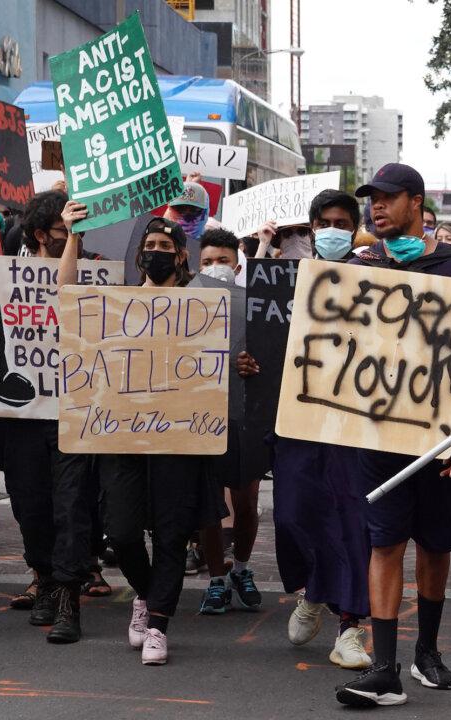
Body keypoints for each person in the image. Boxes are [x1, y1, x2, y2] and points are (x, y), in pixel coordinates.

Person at [334, 163, 451, 707]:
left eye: (386, 198)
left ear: (416, 203)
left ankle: (427, 651)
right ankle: (384, 666)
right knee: (384, 540)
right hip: (378, 433)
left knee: (434, 540)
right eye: (371, 200)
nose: (375, 207)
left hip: (440, 433)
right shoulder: (360, 266)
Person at [78, 217, 226, 665]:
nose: (156, 251)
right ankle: (146, 594)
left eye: (165, 244)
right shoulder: (113, 304)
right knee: (121, 534)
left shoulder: (201, 307)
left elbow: (215, 366)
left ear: (181, 255)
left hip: (177, 439)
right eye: (151, 244)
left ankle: (158, 623)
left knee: (171, 535)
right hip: (122, 436)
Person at [272, 188, 373, 671]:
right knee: (294, 512)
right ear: (312, 227)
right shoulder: (282, 280)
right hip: (296, 417)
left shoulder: (375, 278)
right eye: (325, 221)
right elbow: (267, 336)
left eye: (342, 222)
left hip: (354, 418)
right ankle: (314, 590)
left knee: (352, 521)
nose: (333, 229)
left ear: (352, 229)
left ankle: (350, 626)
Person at [0, 190, 95, 643]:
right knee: (29, 503)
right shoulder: (0, 275)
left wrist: (74, 240)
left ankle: (69, 598)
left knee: (71, 505)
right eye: (61, 231)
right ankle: (45, 579)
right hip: (22, 415)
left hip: (71, 412)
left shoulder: (91, 268)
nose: (70, 236)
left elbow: (70, 297)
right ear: (39, 235)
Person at [192, 229, 264, 616]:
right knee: (209, 503)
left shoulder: (255, 302)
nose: (215, 268)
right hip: (202, 413)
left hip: (245, 416)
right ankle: (217, 579)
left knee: (245, 500)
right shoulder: (184, 301)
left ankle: (241, 568)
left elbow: (271, 350)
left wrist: (252, 364)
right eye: (207, 262)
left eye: (222, 261)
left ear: (236, 266)